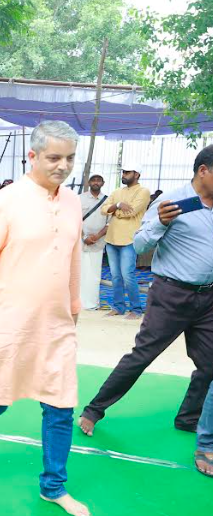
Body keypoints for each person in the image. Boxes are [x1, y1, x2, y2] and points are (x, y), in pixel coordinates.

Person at [0, 120, 90, 516]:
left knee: (61, 407)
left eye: (69, 158)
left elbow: (73, 259)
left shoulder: (73, 203)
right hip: (9, 323)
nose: (63, 166)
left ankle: (53, 486)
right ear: (32, 156)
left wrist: (74, 307)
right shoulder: (3, 204)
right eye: (54, 158)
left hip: (58, 324)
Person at [79, 145, 213, 442]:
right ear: (204, 170)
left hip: (208, 298)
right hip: (171, 294)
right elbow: (138, 244)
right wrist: (162, 223)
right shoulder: (172, 202)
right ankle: (94, 410)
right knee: (142, 356)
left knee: (211, 364)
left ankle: (189, 418)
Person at [102, 163, 150, 319]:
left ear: (136, 174)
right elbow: (104, 209)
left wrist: (115, 212)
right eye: (123, 172)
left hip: (129, 239)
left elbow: (132, 212)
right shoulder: (117, 192)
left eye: (127, 172)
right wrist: (117, 205)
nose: (124, 175)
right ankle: (119, 307)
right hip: (111, 239)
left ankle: (136, 309)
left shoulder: (143, 192)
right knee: (115, 276)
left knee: (127, 275)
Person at [79, 174, 109, 310]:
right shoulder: (80, 198)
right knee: (79, 273)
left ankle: (92, 304)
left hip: (98, 243)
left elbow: (109, 224)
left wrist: (96, 237)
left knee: (94, 275)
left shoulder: (107, 201)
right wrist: (84, 237)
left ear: (102, 183)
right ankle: (78, 304)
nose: (96, 182)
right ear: (89, 182)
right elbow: (75, 220)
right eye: (93, 180)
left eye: (98, 180)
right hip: (80, 242)